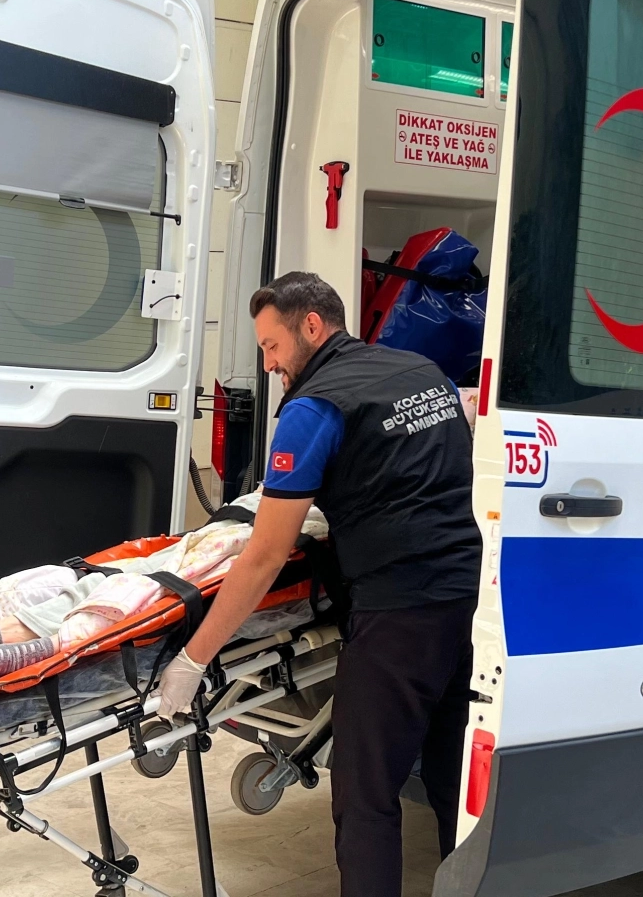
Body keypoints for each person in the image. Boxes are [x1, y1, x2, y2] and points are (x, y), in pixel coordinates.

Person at [156, 272, 482, 897]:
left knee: (365, 794)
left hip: (397, 614)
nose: (269, 364)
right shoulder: (424, 373)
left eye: (272, 346)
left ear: (312, 325)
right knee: (453, 776)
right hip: (471, 602)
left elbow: (264, 556)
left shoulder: (315, 407)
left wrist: (194, 659)